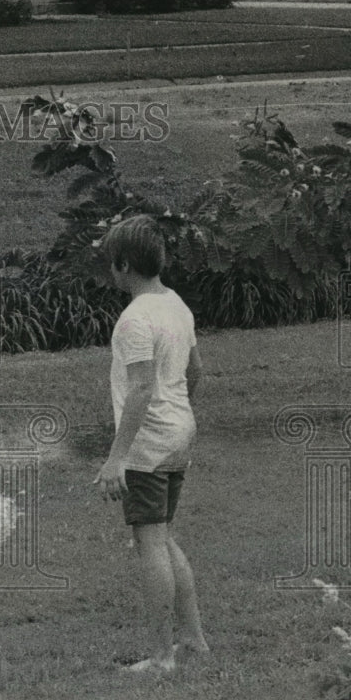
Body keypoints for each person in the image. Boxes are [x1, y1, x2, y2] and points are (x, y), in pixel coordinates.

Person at [93, 214, 210, 673]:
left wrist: (116, 459)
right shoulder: (176, 305)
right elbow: (196, 371)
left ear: (123, 264)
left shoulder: (133, 320)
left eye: (110, 263)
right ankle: (194, 640)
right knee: (163, 537)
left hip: (149, 446)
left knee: (150, 545)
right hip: (180, 436)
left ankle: (162, 657)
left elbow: (140, 390)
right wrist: (177, 413)